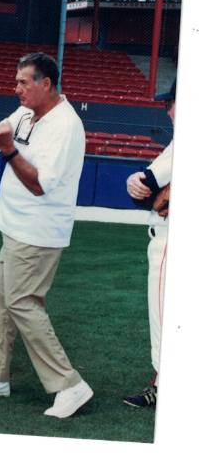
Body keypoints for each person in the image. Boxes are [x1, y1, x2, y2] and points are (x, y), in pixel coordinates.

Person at [0, 52, 93, 419]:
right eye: (16, 81)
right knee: (1, 302)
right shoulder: (26, 113)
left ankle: (70, 385)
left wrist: (6, 147)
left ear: (45, 84)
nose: (16, 89)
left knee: (22, 303)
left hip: (39, 230)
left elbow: (38, 184)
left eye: (23, 82)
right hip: (15, 227)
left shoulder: (65, 126)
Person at [123, 77, 176, 407]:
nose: (168, 110)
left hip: (170, 239)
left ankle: (162, 385)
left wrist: (135, 180)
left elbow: (148, 191)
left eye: (170, 103)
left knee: (163, 318)